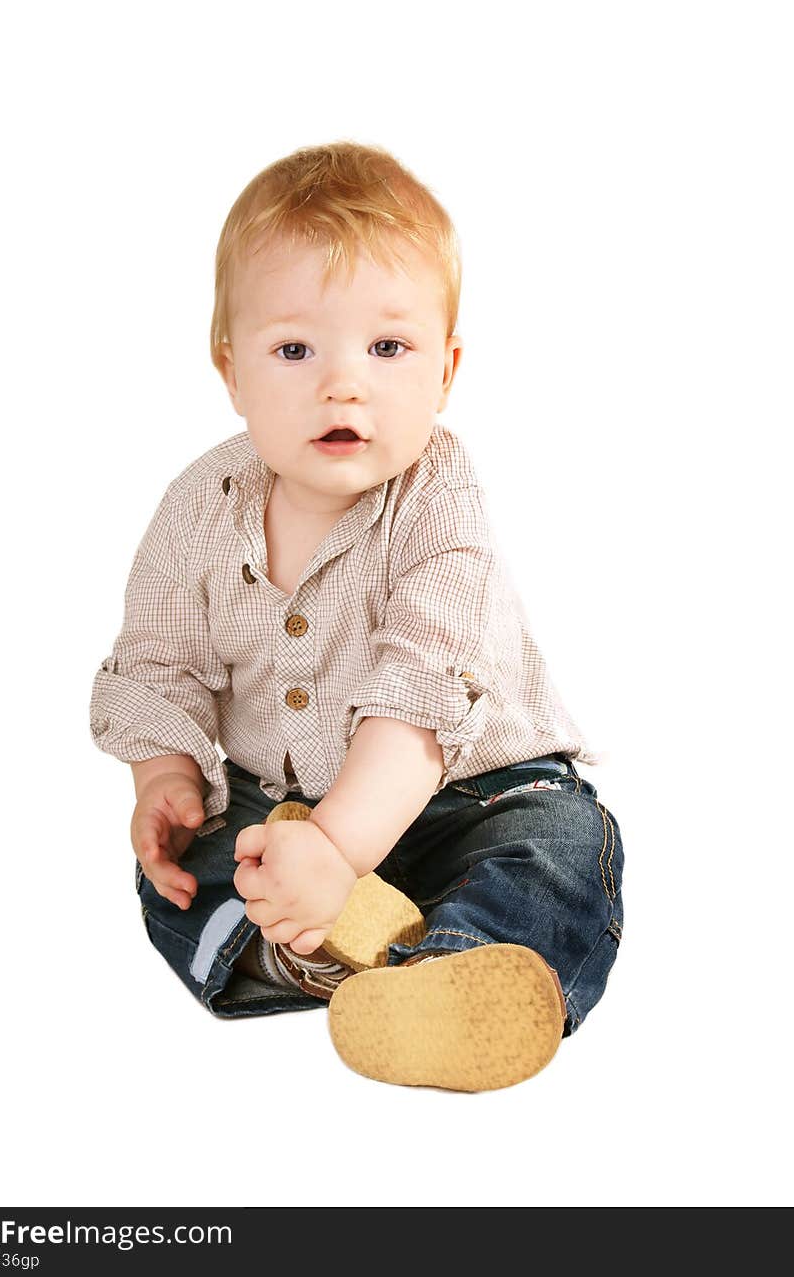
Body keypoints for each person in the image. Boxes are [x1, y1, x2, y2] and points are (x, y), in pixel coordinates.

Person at [89, 140, 624, 1092]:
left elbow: (423, 688)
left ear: (446, 369)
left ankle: (458, 973)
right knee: (185, 871)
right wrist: (165, 774)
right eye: (295, 350)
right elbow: (157, 662)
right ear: (231, 369)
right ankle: (323, 953)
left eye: (388, 348)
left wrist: (340, 849)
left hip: (469, 793)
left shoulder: (438, 494)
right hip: (287, 811)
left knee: (559, 848)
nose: (344, 384)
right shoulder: (197, 505)